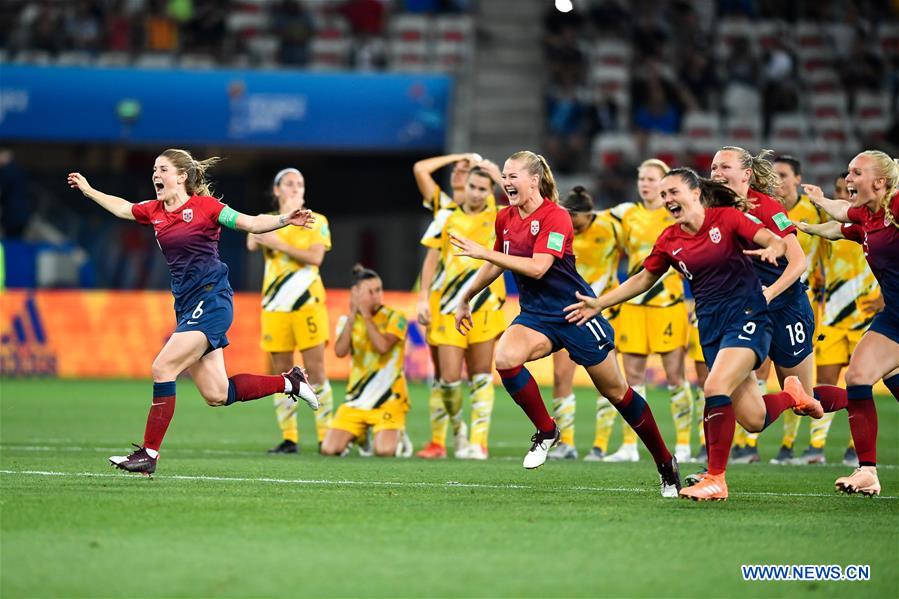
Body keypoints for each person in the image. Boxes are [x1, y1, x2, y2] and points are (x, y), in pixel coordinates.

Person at [565, 167, 823, 501]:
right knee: (753, 419)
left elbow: (772, 237)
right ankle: (793, 396)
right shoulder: (670, 239)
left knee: (714, 386)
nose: (668, 199)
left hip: (748, 317)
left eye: (673, 192)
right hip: (712, 326)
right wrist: (600, 302)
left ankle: (715, 478)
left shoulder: (728, 219)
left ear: (695, 193)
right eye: (663, 195)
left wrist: (775, 247)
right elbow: (643, 278)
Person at [67, 148, 319, 475]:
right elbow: (123, 208)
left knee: (162, 367)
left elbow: (249, 223)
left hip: (212, 299)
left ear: (181, 176)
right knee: (217, 393)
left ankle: (149, 454)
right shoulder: (154, 211)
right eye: (155, 170)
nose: (156, 175)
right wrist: (89, 190)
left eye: (163, 169)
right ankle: (290, 383)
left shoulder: (207, 208)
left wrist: (286, 219)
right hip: (187, 305)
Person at [451, 150, 682, 497]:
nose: (506, 181)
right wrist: (466, 296)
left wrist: (485, 252)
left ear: (534, 180)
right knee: (505, 358)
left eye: (513, 175)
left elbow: (539, 267)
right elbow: (498, 262)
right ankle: (546, 431)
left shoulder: (556, 216)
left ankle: (666, 463)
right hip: (536, 316)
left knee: (617, 393)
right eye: (504, 175)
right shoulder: (505, 218)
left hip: (576, 312)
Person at [797, 151, 899, 496]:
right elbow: (840, 219)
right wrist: (809, 220)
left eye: (857, 173)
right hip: (895, 317)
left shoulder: (896, 206)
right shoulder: (867, 217)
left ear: (880, 183)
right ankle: (868, 471)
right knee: (857, 377)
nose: (850, 178)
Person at [710, 147, 816, 463]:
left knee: (805, 402)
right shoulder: (711, 206)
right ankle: (714, 469)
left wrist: (769, 294)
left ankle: (858, 399)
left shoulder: (767, 207)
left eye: (724, 167)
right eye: (713, 167)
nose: (716, 173)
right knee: (721, 389)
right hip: (746, 314)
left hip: (786, 308)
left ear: (746, 174)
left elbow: (798, 262)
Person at [605, 159, 694, 464]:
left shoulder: (676, 217)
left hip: (667, 305)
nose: (645, 184)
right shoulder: (626, 214)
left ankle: (683, 442)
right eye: (641, 178)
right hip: (633, 307)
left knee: (675, 376)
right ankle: (629, 444)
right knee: (631, 379)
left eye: (652, 179)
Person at [412, 152, 500, 458]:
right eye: (463, 176)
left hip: (486, 304)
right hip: (447, 304)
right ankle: (455, 432)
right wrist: (423, 298)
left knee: (481, 375)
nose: (474, 190)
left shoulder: (498, 214)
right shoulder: (445, 213)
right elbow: (431, 259)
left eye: (481, 186)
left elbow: (524, 202)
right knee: (447, 379)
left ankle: (479, 441)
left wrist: (495, 171)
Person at [246, 168, 333, 455]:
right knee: (282, 373)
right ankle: (290, 438)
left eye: (300, 184)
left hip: (307, 304)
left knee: (317, 371)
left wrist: (276, 243)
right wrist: (268, 228)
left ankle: (325, 438)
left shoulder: (316, 220)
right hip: (274, 306)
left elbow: (316, 257)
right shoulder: (268, 221)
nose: (296, 188)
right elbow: (250, 240)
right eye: (289, 183)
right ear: (277, 190)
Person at [795, 172, 880, 466]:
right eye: (842, 189)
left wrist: (883, 298)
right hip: (832, 315)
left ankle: (854, 450)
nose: (847, 193)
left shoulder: (876, 222)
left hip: (868, 316)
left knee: (864, 382)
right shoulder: (841, 227)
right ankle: (816, 448)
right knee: (827, 379)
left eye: (851, 189)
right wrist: (805, 226)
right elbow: (829, 237)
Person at [549, 186, 622, 461]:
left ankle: (600, 445)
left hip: (605, 312)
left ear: (589, 214)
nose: (574, 228)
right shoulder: (560, 229)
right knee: (560, 376)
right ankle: (565, 442)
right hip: (569, 312)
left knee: (608, 381)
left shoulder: (612, 227)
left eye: (577, 222)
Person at [320, 265, 409, 457]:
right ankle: (360, 435)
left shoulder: (396, 318)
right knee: (329, 449)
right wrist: (353, 315)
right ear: (356, 293)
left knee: (384, 451)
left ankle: (398, 437)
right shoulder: (347, 321)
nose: (377, 295)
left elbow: (382, 347)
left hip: (388, 400)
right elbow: (340, 352)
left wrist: (366, 316)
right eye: (370, 291)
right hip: (357, 401)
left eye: (379, 290)